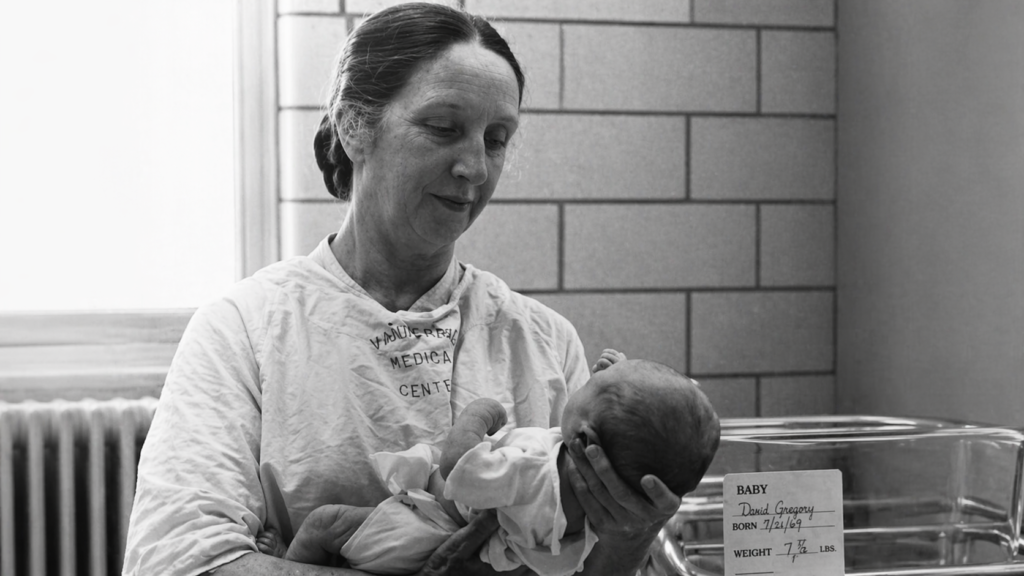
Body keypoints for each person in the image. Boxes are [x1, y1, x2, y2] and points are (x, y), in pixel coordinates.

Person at [122, 4, 684, 575]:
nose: (474, 168)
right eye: (443, 128)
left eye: (496, 139)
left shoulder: (541, 342)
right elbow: (178, 562)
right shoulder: (244, 329)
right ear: (354, 126)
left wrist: (629, 536)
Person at [255, 354, 721, 575]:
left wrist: (479, 417)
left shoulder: (536, 471)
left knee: (325, 525)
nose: (591, 376)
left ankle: (287, 559)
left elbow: (460, 470)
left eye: (595, 385)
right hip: (467, 551)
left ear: (585, 441)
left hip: (432, 528)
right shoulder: (591, 503)